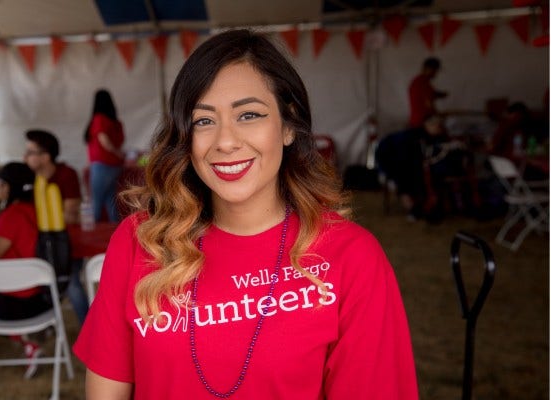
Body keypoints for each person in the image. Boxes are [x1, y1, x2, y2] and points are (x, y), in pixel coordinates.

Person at [73, 29, 418, 399]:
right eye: (204, 121)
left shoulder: (351, 257)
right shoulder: (141, 240)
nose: (225, 141)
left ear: (288, 126)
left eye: (249, 114)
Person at [0, 162, 50, 379]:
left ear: (7, 187)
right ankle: (31, 337)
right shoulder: (38, 209)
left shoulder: (12, 215)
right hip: (44, 297)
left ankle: (26, 340)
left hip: (20, 303)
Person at [24, 129, 89, 323]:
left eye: (30, 152)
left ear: (45, 157)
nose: (25, 157)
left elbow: (70, 213)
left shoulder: (66, 174)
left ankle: (88, 327)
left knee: (71, 282)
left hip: (65, 244)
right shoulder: (28, 178)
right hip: (38, 244)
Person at [84, 89, 125, 222]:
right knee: (110, 199)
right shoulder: (116, 123)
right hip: (115, 165)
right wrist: (118, 154)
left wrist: (115, 151)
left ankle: (92, 230)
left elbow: (103, 139)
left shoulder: (99, 119)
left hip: (102, 164)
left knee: (96, 199)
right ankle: (115, 229)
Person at [408, 57, 447, 128]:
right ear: (429, 69)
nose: (435, 74)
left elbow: (427, 95)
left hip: (416, 120)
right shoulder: (423, 82)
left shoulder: (417, 81)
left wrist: (440, 94)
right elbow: (428, 103)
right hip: (422, 122)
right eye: (435, 70)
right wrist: (438, 115)